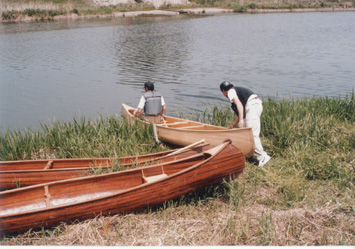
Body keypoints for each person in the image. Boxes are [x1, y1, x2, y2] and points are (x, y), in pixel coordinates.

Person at [219, 81, 271, 167]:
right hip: (253, 105)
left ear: (223, 91)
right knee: (247, 132)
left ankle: (263, 157)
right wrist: (234, 125)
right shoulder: (235, 91)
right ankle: (249, 153)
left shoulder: (230, 92)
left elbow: (239, 105)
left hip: (252, 106)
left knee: (252, 134)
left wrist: (241, 120)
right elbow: (239, 111)